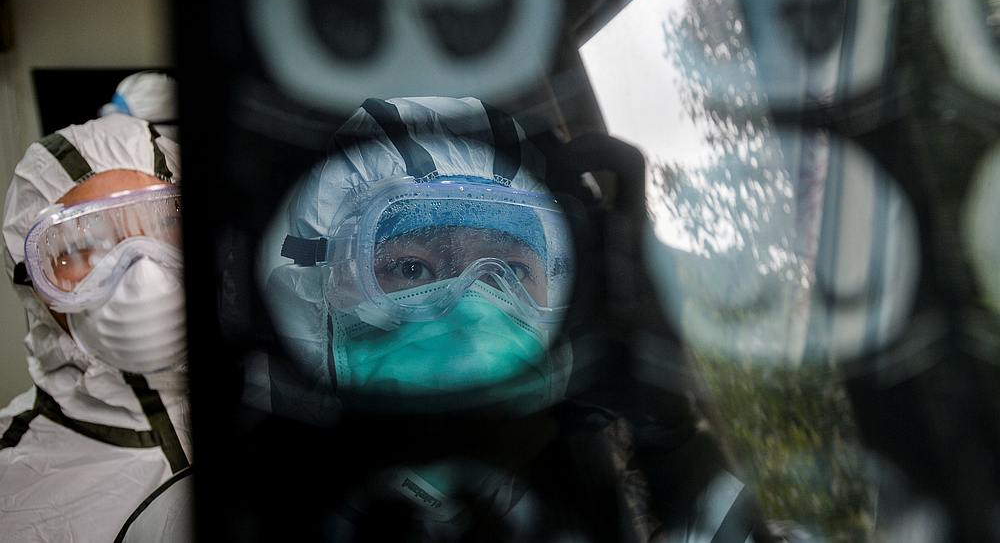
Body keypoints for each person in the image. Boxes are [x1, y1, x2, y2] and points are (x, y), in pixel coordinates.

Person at [262, 97, 768, 541]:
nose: (473, 311)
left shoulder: (574, 501)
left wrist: (673, 448)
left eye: (512, 269)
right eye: (410, 267)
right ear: (318, 297)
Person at [0, 113, 190, 541]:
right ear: (32, 284)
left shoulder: (284, 397)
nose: (142, 273)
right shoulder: (13, 488)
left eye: (166, 225)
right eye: (81, 248)